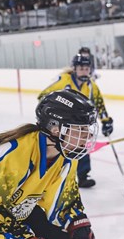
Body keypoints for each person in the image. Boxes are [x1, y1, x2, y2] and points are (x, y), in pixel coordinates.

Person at [0, 89, 97, 239]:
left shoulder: (66, 155)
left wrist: (76, 222)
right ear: (55, 128)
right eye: (80, 130)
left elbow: (67, 194)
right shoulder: (14, 154)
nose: (87, 136)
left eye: (87, 130)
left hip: (16, 209)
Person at [38, 54, 114, 188]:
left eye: (87, 68)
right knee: (59, 148)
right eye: (81, 68)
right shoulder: (63, 82)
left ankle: (83, 175)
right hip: (62, 125)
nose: (85, 71)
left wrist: (106, 120)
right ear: (75, 69)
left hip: (79, 124)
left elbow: (99, 103)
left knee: (80, 145)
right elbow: (43, 97)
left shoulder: (91, 86)